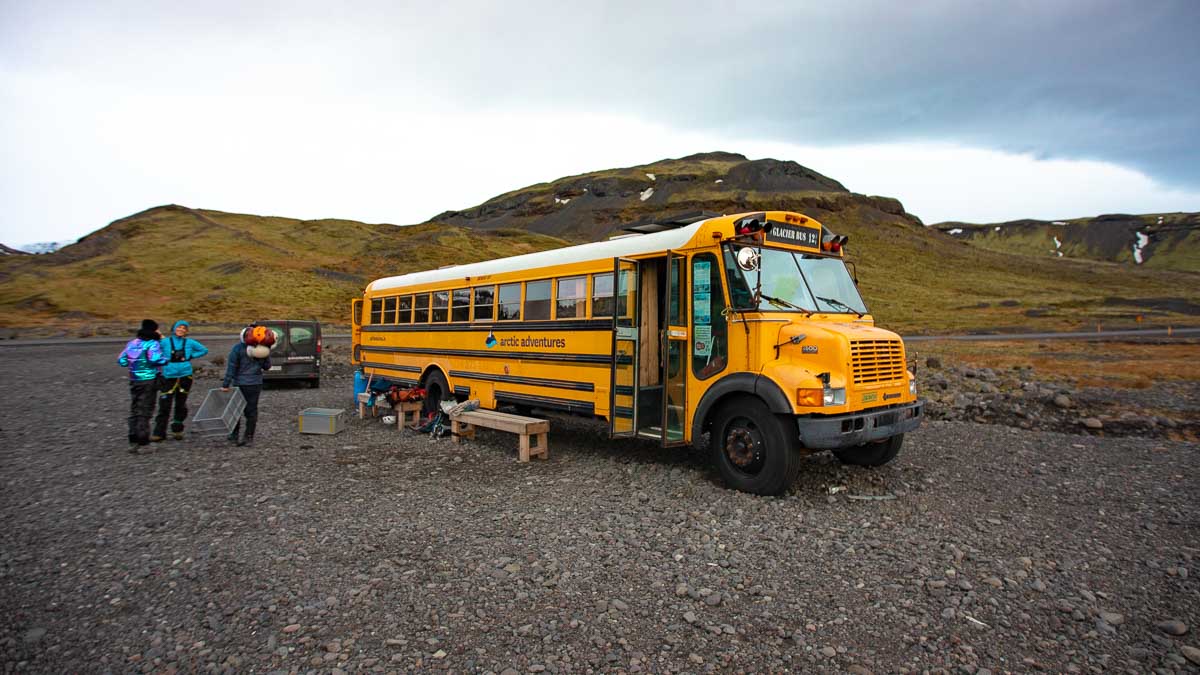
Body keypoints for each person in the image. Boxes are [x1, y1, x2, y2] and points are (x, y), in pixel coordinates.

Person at [152, 320, 209, 441]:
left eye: (184, 328)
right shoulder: (165, 342)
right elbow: (154, 349)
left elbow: (204, 350)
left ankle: (177, 429)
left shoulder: (189, 342)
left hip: (185, 376)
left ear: (186, 331)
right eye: (179, 327)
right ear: (174, 329)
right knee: (164, 404)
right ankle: (159, 432)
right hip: (168, 376)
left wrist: (190, 356)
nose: (181, 330)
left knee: (181, 403)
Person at [118, 319, 167, 451]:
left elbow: (122, 360)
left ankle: (133, 439)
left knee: (135, 408)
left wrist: (134, 365)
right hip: (149, 379)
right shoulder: (152, 343)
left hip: (134, 379)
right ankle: (143, 441)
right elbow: (155, 359)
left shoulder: (132, 343)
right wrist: (166, 360)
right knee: (145, 409)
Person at [221, 324, 272, 446]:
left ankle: (234, 436)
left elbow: (232, 367)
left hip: (239, 383)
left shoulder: (237, 348)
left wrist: (226, 384)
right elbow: (267, 366)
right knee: (251, 410)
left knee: (235, 410)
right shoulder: (262, 349)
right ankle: (249, 437)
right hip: (255, 384)